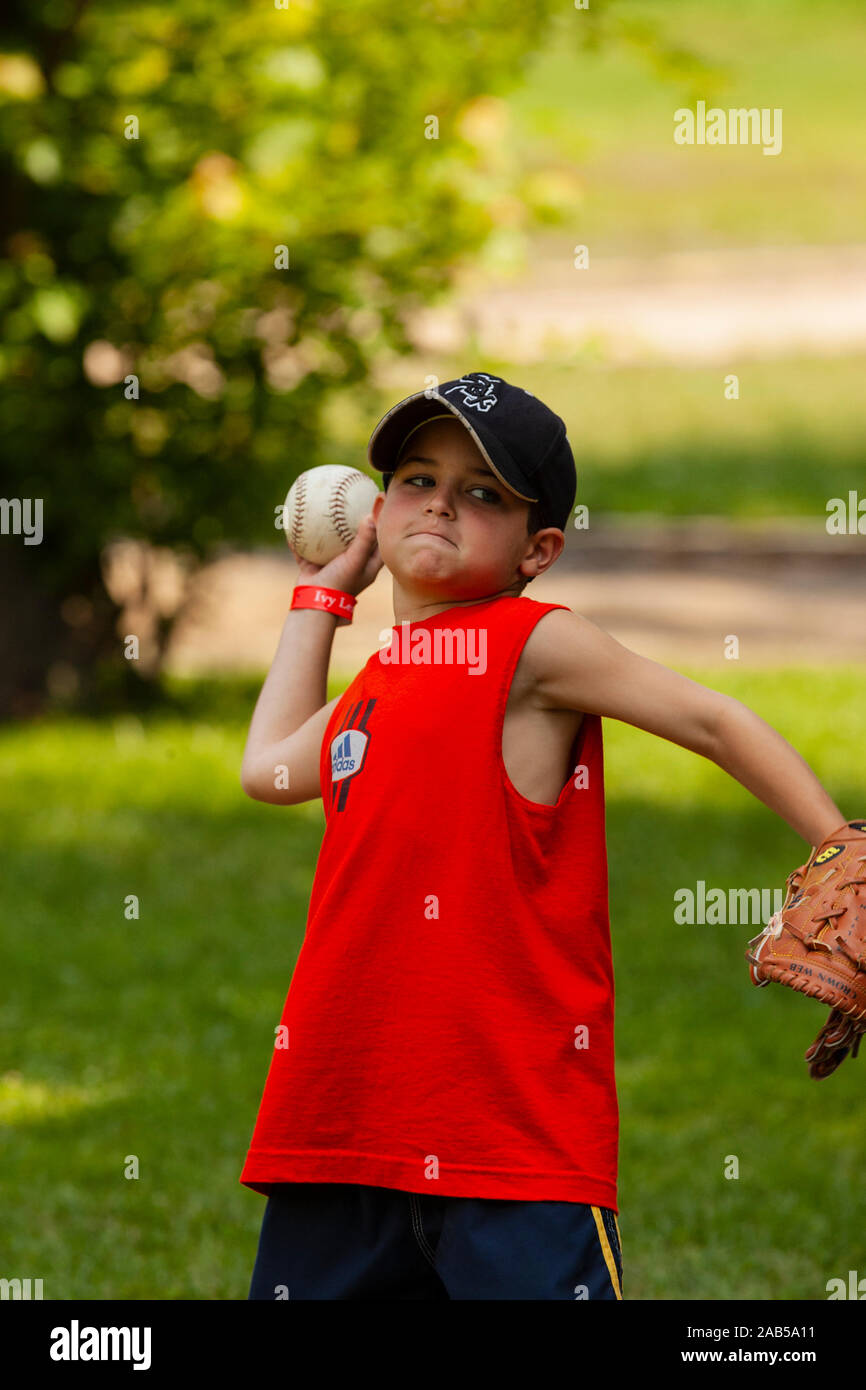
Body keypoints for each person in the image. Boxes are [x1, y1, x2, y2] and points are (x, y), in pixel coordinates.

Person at [238, 371, 846, 1301]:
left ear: (539, 548)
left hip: (510, 1145)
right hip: (343, 1127)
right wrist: (323, 599)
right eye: (415, 477)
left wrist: (842, 844)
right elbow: (270, 768)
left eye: (483, 493)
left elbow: (713, 721)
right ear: (377, 511)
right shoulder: (380, 681)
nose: (440, 501)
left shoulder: (531, 645)